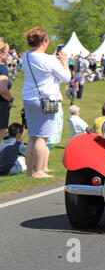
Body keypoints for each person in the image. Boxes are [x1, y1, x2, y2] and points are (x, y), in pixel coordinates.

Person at [22, 27, 71, 178]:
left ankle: (29, 172)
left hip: (29, 99)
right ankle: (39, 171)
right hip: (46, 99)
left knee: (32, 136)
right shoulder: (49, 60)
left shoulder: (26, 56)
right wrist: (65, 62)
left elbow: (40, 61)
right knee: (42, 137)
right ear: (44, 41)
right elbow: (66, 78)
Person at [0, 38, 14, 142]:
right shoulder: (2, 68)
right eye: (7, 52)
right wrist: (10, 99)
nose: (9, 55)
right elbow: (2, 89)